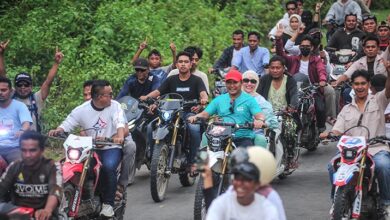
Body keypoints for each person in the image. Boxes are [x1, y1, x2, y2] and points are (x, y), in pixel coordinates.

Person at [48, 80, 126, 218]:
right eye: (109, 94)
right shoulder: (82, 109)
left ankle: (108, 204)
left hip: (110, 146)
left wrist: (119, 137)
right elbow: (68, 123)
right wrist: (58, 130)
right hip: (89, 147)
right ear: (99, 97)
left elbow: (119, 122)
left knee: (108, 167)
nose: (112, 97)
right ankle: (80, 197)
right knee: (70, 164)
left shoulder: (115, 106)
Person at [320, 67, 390, 218]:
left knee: (383, 166)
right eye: (356, 84)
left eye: (363, 83)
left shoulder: (378, 100)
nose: (360, 87)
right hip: (351, 151)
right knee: (332, 166)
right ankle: (336, 202)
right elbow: (338, 129)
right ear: (352, 86)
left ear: (369, 85)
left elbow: (388, 92)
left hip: (375, 148)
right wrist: (329, 133)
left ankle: (386, 204)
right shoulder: (346, 109)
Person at [141, 51, 208, 169]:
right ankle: (153, 157)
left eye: (186, 62)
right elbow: (158, 92)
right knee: (151, 126)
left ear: (191, 64)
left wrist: (203, 99)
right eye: (180, 62)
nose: (183, 64)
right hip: (171, 112)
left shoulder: (197, 80)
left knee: (194, 128)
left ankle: (194, 163)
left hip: (189, 113)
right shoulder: (171, 79)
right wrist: (146, 97)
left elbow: (203, 94)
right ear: (176, 64)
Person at [275, 30, 336, 130]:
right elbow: (280, 55)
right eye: (302, 46)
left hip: (312, 90)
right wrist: (278, 39)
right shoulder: (293, 59)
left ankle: (321, 128)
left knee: (320, 108)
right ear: (299, 47)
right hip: (295, 90)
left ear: (311, 47)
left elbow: (321, 70)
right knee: (288, 108)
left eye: (307, 46)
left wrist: (322, 80)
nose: (304, 48)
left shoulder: (316, 60)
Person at [188, 69, 265, 147]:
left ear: (241, 83)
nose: (232, 86)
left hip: (243, 137)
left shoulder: (249, 99)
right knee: (207, 146)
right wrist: (195, 117)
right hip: (221, 136)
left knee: (245, 157)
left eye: (235, 82)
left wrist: (259, 121)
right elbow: (205, 114)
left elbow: (259, 115)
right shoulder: (219, 99)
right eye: (229, 82)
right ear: (225, 83)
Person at [83, 80, 137, 190]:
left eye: (91, 94)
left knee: (130, 147)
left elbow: (125, 130)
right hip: (95, 142)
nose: (88, 97)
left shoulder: (114, 107)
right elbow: (83, 130)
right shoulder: (84, 109)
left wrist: (108, 140)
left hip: (116, 140)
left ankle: (121, 184)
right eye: (86, 94)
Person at [0, 45, 63, 132]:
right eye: (19, 85)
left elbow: (48, 82)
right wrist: (1, 55)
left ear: (31, 86)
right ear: (14, 86)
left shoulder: (37, 98)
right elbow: (2, 76)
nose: (23, 88)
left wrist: (56, 63)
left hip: (32, 139)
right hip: (12, 138)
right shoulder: (10, 94)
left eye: (26, 85)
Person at [0, 131, 62, 220]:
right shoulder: (14, 166)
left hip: (43, 215)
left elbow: (55, 192)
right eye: (24, 150)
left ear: (42, 150)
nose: (27, 155)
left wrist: (47, 210)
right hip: (18, 213)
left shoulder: (52, 167)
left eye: (32, 150)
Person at [205, 147, 280, 220]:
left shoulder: (268, 205)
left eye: (246, 180)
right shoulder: (222, 202)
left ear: (257, 184)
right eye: (237, 178)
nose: (240, 184)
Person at [0, 77, 32, 164]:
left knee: (20, 167)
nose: (0, 93)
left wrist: (22, 131)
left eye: (3, 90)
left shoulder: (20, 106)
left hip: (14, 148)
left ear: (10, 91)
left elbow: (26, 124)